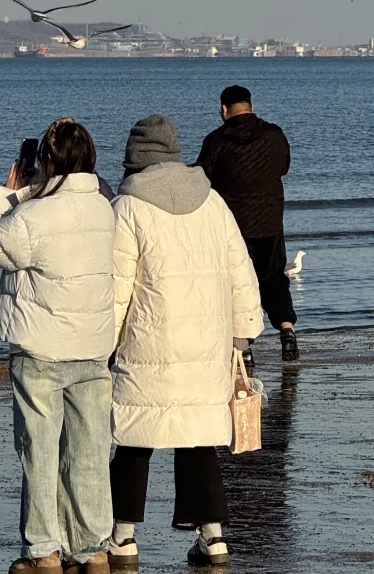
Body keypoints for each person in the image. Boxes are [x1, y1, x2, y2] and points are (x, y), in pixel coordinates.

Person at [109, 114, 263, 568]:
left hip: (148, 341)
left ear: (134, 160)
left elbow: (118, 287)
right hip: (207, 343)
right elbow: (241, 270)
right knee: (199, 439)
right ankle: (212, 537)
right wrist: (244, 332)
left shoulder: (128, 207)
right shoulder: (212, 202)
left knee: (135, 438)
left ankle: (123, 537)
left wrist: (105, 342)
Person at [0, 118, 115, 574]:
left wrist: (7, 192)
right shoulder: (105, 208)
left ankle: (44, 552)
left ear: (47, 162)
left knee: (40, 453)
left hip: (40, 350)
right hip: (92, 346)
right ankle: (92, 549)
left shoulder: (31, 215)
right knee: (90, 454)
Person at [197, 85, 298, 363]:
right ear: (251, 106)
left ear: (223, 110)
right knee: (274, 277)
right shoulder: (274, 135)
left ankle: (245, 348)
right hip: (269, 219)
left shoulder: (215, 142)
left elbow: (201, 180)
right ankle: (287, 331)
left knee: (238, 285)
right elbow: (284, 166)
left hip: (233, 226)